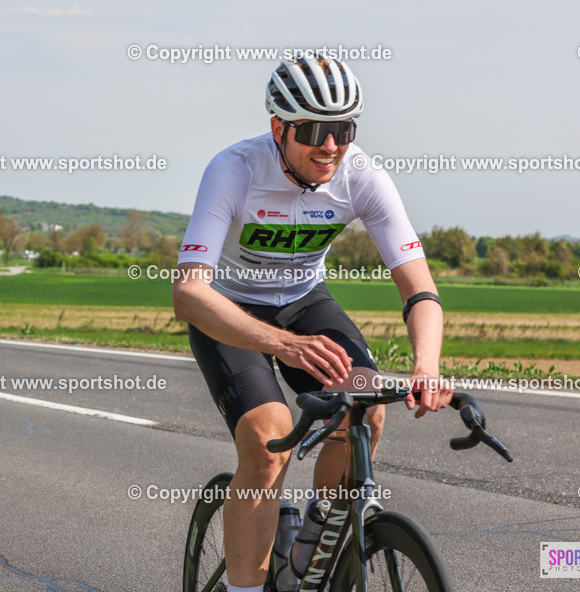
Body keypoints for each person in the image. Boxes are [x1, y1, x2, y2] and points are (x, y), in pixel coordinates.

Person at [172, 57, 452, 591]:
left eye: (343, 130)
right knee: (268, 440)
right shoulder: (234, 169)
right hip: (229, 310)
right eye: (313, 131)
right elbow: (189, 292)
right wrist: (283, 345)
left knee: (366, 411)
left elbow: (420, 289)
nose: (329, 146)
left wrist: (427, 365)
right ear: (278, 128)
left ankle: (313, 544)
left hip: (303, 301)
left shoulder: (361, 175)